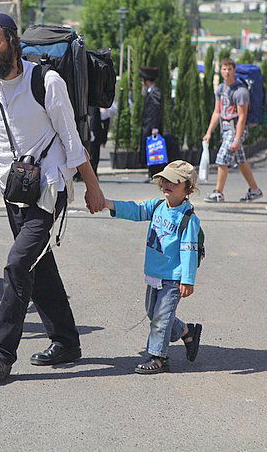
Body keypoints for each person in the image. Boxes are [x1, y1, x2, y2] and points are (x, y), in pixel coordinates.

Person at [0, 13, 106, 380]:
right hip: (13, 190)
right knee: (38, 265)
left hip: (49, 187)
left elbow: (72, 140)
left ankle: (1, 353)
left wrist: (92, 186)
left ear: (11, 40)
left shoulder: (46, 81)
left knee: (17, 264)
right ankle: (67, 340)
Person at [104, 160, 202, 374]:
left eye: (174, 182)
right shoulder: (157, 207)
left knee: (161, 318)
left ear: (188, 189)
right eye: (165, 180)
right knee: (154, 313)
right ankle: (187, 332)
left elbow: (189, 251)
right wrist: (107, 203)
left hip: (173, 278)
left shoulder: (188, 218)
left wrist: (187, 279)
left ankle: (158, 358)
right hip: (154, 274)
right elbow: (135, 209)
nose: (167, 185)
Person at [202, 58, 263, 203]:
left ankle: (218, 192)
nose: (227, 72)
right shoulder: (221, 89)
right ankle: (255, 190)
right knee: (241, 161)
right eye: (224, 69)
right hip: (225, 128)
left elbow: (242, 117)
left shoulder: (240, 91)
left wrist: (237, 138)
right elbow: (217, 112)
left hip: (235, 129)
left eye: (230, 69)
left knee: (222, 158)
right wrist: (209, 132)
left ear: (234, 71)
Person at [139, 66, 165, 179]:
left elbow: (156, 111)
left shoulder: (155, 93)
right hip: (149, 126)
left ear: (146, 81)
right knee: (151, 150)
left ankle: (155, 174)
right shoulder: (151, 92)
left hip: (152, 127)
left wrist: (155, 128)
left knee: (154, 150)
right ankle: (152, 173)